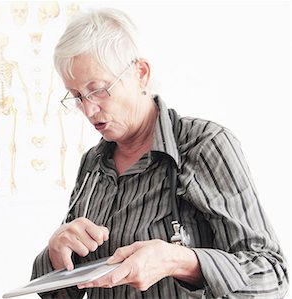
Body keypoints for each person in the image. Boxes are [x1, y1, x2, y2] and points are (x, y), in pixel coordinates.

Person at [31, 8, 288, 298]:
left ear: (140, 74)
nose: (88, 110)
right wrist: (56, 253)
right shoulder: (93, 165)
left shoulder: (204, 145)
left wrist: (178, 261)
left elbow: (272, 276)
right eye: (77, 97)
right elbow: (63, 292)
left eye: (99, 90)